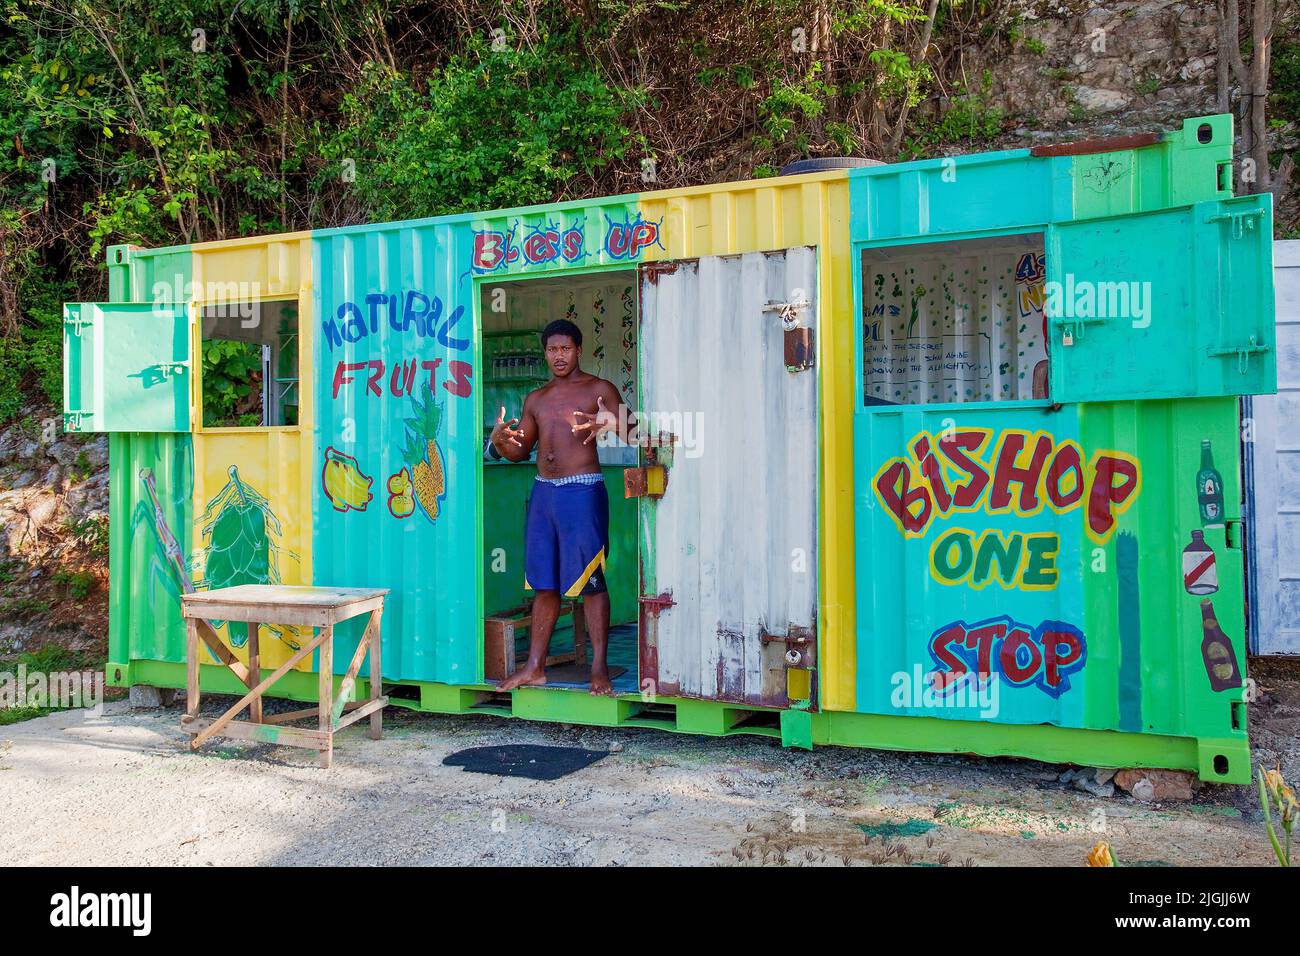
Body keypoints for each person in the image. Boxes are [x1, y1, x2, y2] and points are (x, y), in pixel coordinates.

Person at [490, 319, 634, 695]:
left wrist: (610, 419)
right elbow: (519, 450)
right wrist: (499, 441)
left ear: (578, 350)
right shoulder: (536, 398)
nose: (558, 356)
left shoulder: (599, 388)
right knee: (544, 583)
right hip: (543, 494)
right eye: (552, 349)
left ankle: (599, 669)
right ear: (545, 352)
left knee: (591, 581)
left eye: (565, 349)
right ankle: (535, 667)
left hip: (582, 491)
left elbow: (635, 433)